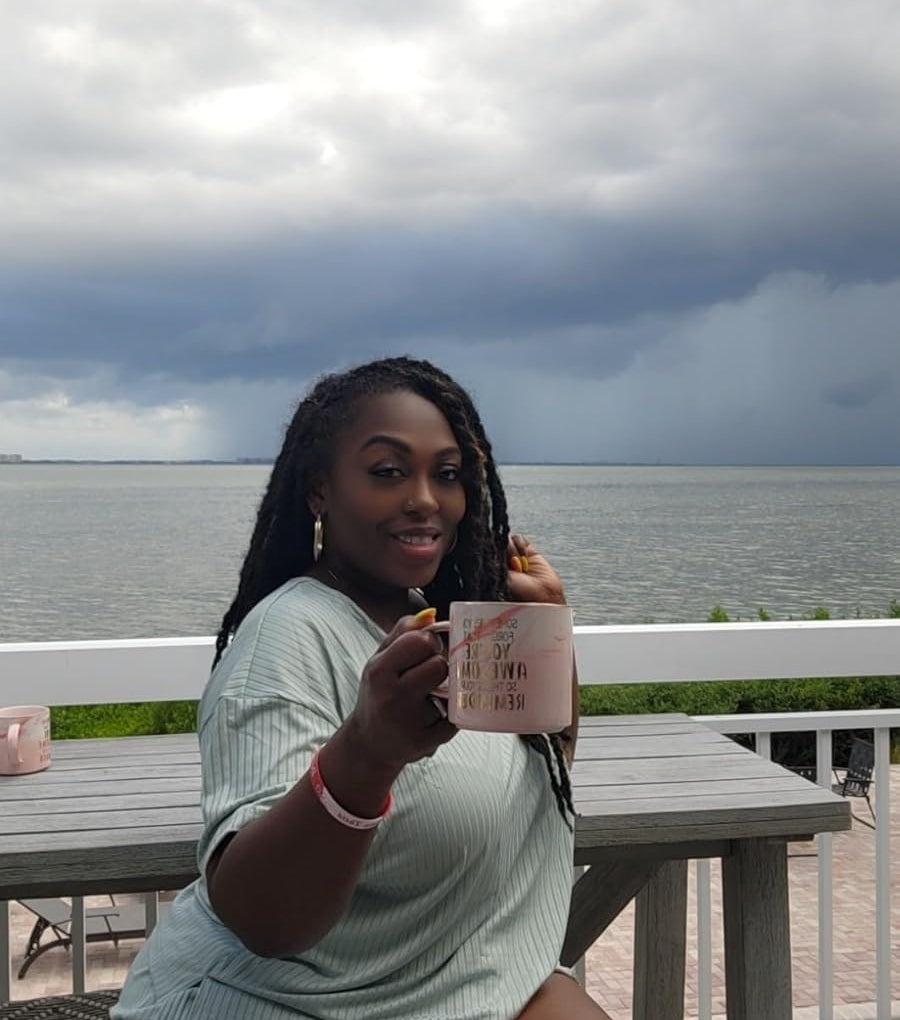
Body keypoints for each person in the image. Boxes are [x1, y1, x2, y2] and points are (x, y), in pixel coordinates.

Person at [112, 356, 611, 1020]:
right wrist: (369, 753)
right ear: (319, 491)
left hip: (445, 988)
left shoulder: (435, 622)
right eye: (388, 471)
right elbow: (264, 921)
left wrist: (548, 637)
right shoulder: (286, 637)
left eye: (448, 474)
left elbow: (545, 763)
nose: (425, 499)